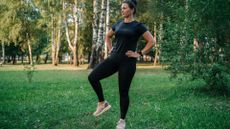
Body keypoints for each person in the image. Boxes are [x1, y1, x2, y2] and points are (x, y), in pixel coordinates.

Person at [88, 0, 155, 129]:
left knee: (123, 92)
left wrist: (139, 53)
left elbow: (151, 41)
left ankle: (122, 121)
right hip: (113, 59)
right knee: (92, 77)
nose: (122, 10)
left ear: (132, 9)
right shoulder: (118, 24)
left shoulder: (138, 26)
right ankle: (102, 103)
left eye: (124, 8)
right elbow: (107, 36)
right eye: (121, 8)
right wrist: (110, 48)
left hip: (128, 63)